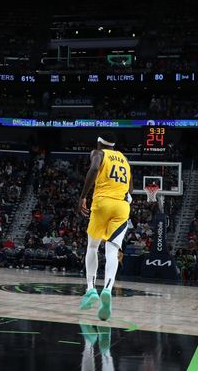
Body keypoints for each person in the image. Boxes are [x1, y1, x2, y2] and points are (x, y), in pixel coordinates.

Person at [76, 132, 132, 321]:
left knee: (92, 246)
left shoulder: (98, 153)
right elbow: (130, 189)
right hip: (122, 206)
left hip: (102, 203)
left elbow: (93, 169)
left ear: (99, 143)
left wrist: (83, 195)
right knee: (112, 250)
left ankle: (91, 289)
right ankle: (107, 289)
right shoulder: (124, 159)